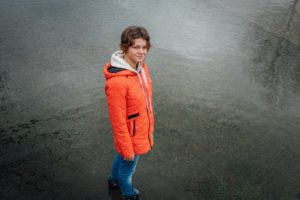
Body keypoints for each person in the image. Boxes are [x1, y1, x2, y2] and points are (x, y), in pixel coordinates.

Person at [103, 26, 154, 200]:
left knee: (122, 158)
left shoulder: (141, 68)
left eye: (144, 47)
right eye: (136, 47)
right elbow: (117, 121)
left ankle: (112, 180)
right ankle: (129, 194)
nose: (142, 52)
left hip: (140, 128)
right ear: (125, 47)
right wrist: (127, 147)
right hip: (131, 136)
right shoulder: (117, 83)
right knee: (128, 169)